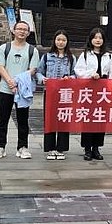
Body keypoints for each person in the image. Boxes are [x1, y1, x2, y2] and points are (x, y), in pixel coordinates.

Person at [0, 20, 40, 160]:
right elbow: (0, 66)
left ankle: (22, 147)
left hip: (23, 90)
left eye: (25, 29)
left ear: (28, 33)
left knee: (23, 119)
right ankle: (0, 146)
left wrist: (18, 82)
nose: (22, 31)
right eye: (19, 29)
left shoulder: (32, 50)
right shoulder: (4, 48)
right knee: (3, 118)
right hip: (5, 88)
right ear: (13, 30)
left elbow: (33, 69)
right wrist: (10, 82)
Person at [75, 27, 112, 161]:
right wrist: (90, 74)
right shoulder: (85, 54)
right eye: (95, 37)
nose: (98, 40)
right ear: (91, 39)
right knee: (88, 119)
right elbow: (78, 71)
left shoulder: (108, 55)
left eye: (100, 38)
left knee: (100, 119)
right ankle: (87, 148)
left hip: (103, 91)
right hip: (89, 90)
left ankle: (96, 148)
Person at [37, 29, 75, 160]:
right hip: (50, 92)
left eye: (63, 40)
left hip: (65, 93)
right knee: (50, 119)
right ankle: (50, 148)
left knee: (64, 119)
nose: (61, 42)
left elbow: (75, 74)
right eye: (58, 39)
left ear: (67, 42)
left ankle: (61, 148)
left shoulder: (71, 58)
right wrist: (42, 79)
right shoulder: (47, 57)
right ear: (54, 41)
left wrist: (70, 78)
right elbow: (39, 72)